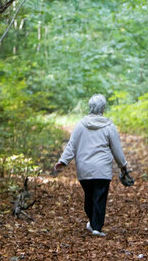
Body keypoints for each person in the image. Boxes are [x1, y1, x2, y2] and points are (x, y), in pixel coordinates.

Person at [54, 94, 129, 237]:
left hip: (85, 169)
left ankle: (95, 225)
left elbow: (72, 146)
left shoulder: (81, 125)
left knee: (89, 197)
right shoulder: (109, 126)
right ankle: (96, 226)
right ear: (103, 108)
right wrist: (123, 166)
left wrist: (63, 161)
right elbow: (117, 149)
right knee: (99, 197)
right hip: (102, 170)